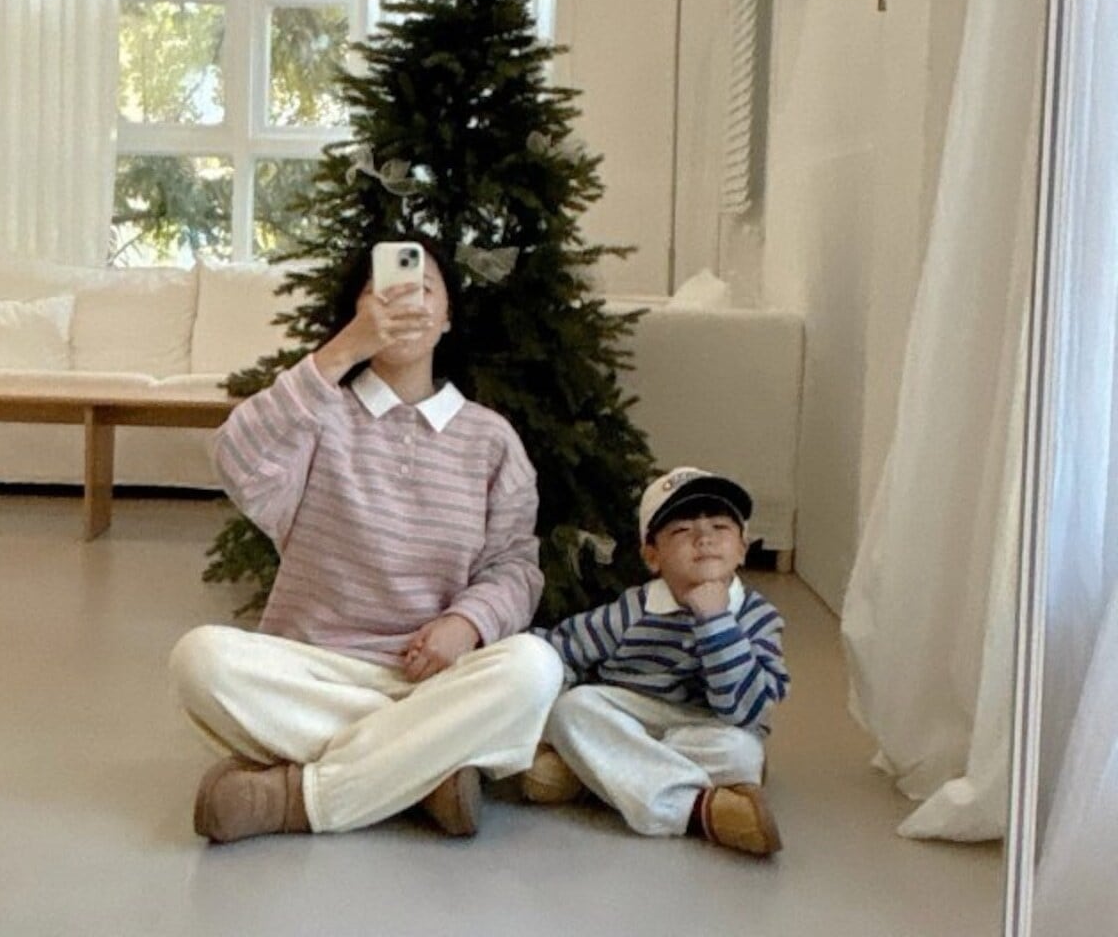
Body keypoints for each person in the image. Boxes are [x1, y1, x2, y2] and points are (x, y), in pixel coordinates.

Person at [169, 238, 563, 844]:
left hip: (433, 678)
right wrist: (343, 350)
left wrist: (467, 624)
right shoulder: (319, 415)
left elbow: (514, 565)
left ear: (448, 317)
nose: (407, 301)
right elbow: (235, 458)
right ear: (358, 311)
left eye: (424, 289)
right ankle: (422, 769)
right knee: (198, 660)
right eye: (385, 291)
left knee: (534, 668)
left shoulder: (491, 439)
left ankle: (292, 798)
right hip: (316, 669)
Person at [522, 466, 789, 856]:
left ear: (742, 548)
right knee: (571, 710)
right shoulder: (633, 609)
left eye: (720, 526)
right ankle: (700, 808)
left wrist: (716, 621)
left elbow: (745, 711)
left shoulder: (758, 617)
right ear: (652, 556)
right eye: (681, 530)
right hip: (630, 715)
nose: (703, 537)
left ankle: (597, 774)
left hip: (705, 724)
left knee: (741, 751)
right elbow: (561, 648)